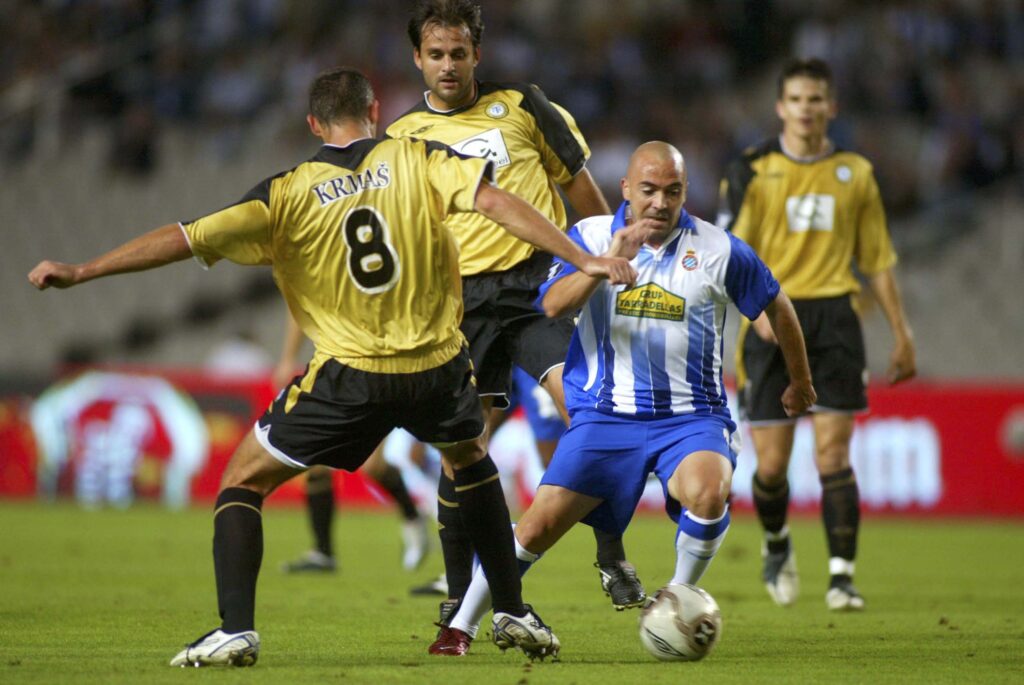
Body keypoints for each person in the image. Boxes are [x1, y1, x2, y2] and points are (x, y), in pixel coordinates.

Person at [28, 66, 637, 667]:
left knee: (243, 479)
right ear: (375, 112)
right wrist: (581, 258)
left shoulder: (287, 190)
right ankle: (512, 609)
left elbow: (184, 238)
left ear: (314, 122)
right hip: (436, 365)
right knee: (470, 459)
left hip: (353, 374)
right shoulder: (416, 157)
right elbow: (496, 202)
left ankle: (235, 630)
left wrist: (84, 271)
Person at [439, 141, 816, 643]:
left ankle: (673, 605)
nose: (660, 202)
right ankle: (460, 628)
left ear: (684, 192)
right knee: (534, 530)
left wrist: (801, 379)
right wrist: (605, 261)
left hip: (692, 417)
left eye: (672, 191)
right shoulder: (590, 235)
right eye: (649, 190)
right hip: (605, 416)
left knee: (708, 491)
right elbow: (551, 304)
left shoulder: (719, 249)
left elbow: (777, 303)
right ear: (625, 189)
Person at [388, 0, 644, 655]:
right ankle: (458, 599)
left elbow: (582, 190)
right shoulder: (401, 137)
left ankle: (609, 548)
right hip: (458, 305)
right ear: (418, 58)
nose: (449, 65)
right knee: (462, 448)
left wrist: (606, 257)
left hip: (539, 292)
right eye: (436, 55)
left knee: (588, 415)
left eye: (459, 53)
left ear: (478, 53)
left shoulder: (524, 106)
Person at [716, 58, 916, 612]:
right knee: (773, 467)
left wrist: (902, 331)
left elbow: (876, 259)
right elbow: (729, 254)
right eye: (798, 99)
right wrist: (756, 317)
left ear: (832, 107)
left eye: (817, 99)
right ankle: (778, 543)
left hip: (834, 318)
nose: (807, 109)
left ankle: (841, 576)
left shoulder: (856, 172)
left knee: (833, 454)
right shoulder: (752, 168)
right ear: (782, 107)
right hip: (773, 313)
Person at [272, 314, 431, 575]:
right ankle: (323, 552)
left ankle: (412, 516)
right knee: (316, 460)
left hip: (379, 367)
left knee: (373, 467)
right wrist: (288, 358)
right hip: (334, 366)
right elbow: (295, 307)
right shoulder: (320, 276)